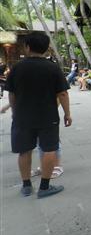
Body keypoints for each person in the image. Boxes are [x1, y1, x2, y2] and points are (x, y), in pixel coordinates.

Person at [4, 31, 70, 198]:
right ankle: (44, 187)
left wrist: (14, 111)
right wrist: (67, 114)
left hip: (22, 117)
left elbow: (11, 94)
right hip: (48, 116)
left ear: (27, 47)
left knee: (24, 151)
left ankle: (26, 186)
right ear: (47, 48)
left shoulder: (17, 68)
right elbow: (63, 94)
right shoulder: (53, 68)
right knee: (49, 149)